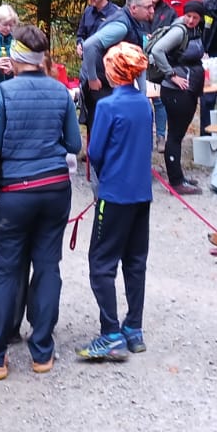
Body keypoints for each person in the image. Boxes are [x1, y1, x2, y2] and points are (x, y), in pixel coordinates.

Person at [0, 25, 81, 380]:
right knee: (48, 267)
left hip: (15, 192)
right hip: (54, 189)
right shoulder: (61, 92)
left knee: (6, 271)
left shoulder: (3, 94)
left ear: (16, 59)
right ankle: (42, 352)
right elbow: (74, 145)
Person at [77, 42, 154, 362]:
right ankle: (133, 327)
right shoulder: (144, 105)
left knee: (101, 263)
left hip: (114, 194)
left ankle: (110, 333)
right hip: (141, 194)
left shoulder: (108, 107)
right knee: (135, 261)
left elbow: (94, 152)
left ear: (113, 71)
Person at [147, 0, 206, 195]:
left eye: (195, 17)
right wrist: (172, 74)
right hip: (175, 92)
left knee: (177, 136)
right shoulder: (179, 30)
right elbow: (157, 50)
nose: (191, 20)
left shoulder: (195, 30)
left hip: (186, 91)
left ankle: (179, 176)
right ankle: (176, 181)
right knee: (175, 136)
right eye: (188, 16)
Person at [79, 0, 145, 139]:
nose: (152, 10)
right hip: (101, 81)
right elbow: (89, 45)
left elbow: (139, 58)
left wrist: (143, 94)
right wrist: (92, 78)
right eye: (148, 7)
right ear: (134, 8)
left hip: (115, 82)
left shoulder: (136, 23)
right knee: (103, 129)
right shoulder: (121, 26)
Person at [146, 0, 176, 147]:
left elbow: (174, 35)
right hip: (141, 59)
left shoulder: (169, 12)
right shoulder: (140, 8)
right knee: (144, 100)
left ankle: (161, 137)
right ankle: (147, 138)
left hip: (160, 60)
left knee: (159, 99)